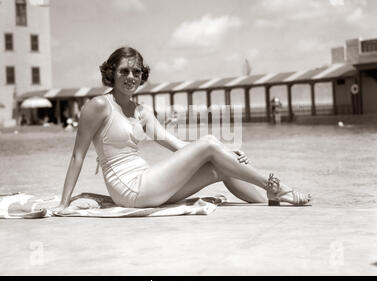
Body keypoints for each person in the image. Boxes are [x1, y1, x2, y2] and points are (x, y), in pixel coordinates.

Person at [53, 47, 311, 213]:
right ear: (111, 73)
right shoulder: (99, 106)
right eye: (124, 71)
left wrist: (227, 152)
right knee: (209, 141)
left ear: (142, 76)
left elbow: (176, 145)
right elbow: (78, 155)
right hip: (129, 189)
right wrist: (64, 204)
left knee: (220, 166)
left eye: (136, 72)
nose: (130, 77)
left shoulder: (142, 111)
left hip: (149, 181)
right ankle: (276, 186)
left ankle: (269, 202)